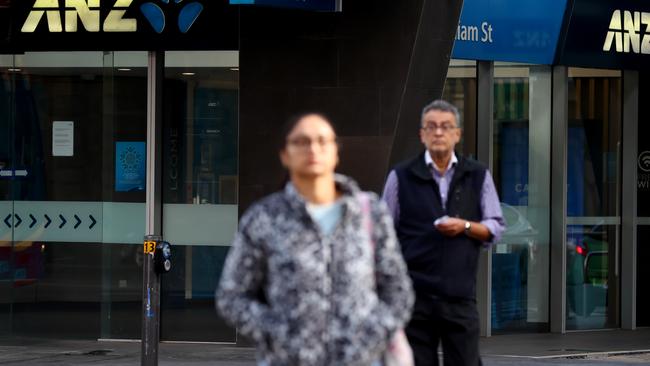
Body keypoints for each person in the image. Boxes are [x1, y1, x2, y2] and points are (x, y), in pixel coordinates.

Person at [216, 112, 414, 366]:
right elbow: (231, 295)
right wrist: (279, 334)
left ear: (336, 152)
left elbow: (398, 290)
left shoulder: (369, 213)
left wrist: (370, 337)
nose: (313, 148)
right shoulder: (264, 218)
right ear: (284, 154)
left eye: (323, 141)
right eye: (301, 141)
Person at [382, 100, 505, 366]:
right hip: (414, 298)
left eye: (446, 127)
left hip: (460, 297)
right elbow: (383, 237)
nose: (438, 133)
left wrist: (466, 226)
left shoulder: (477, 175)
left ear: (457, 134)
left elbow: (495, 227)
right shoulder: (401, 176)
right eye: (432, 127)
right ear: (422, 134)